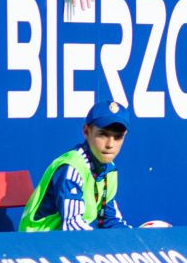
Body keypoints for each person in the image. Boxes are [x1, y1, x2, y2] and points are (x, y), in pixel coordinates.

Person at [18, 93, 130, 231]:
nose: (110, 144)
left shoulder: (110, 170)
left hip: (67, 243)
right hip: (36, 243)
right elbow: (72, 226)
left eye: (118, 137)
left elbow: (110, 220)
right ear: (86, 131)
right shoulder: (72, 166)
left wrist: (137, 240)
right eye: (103, 134)